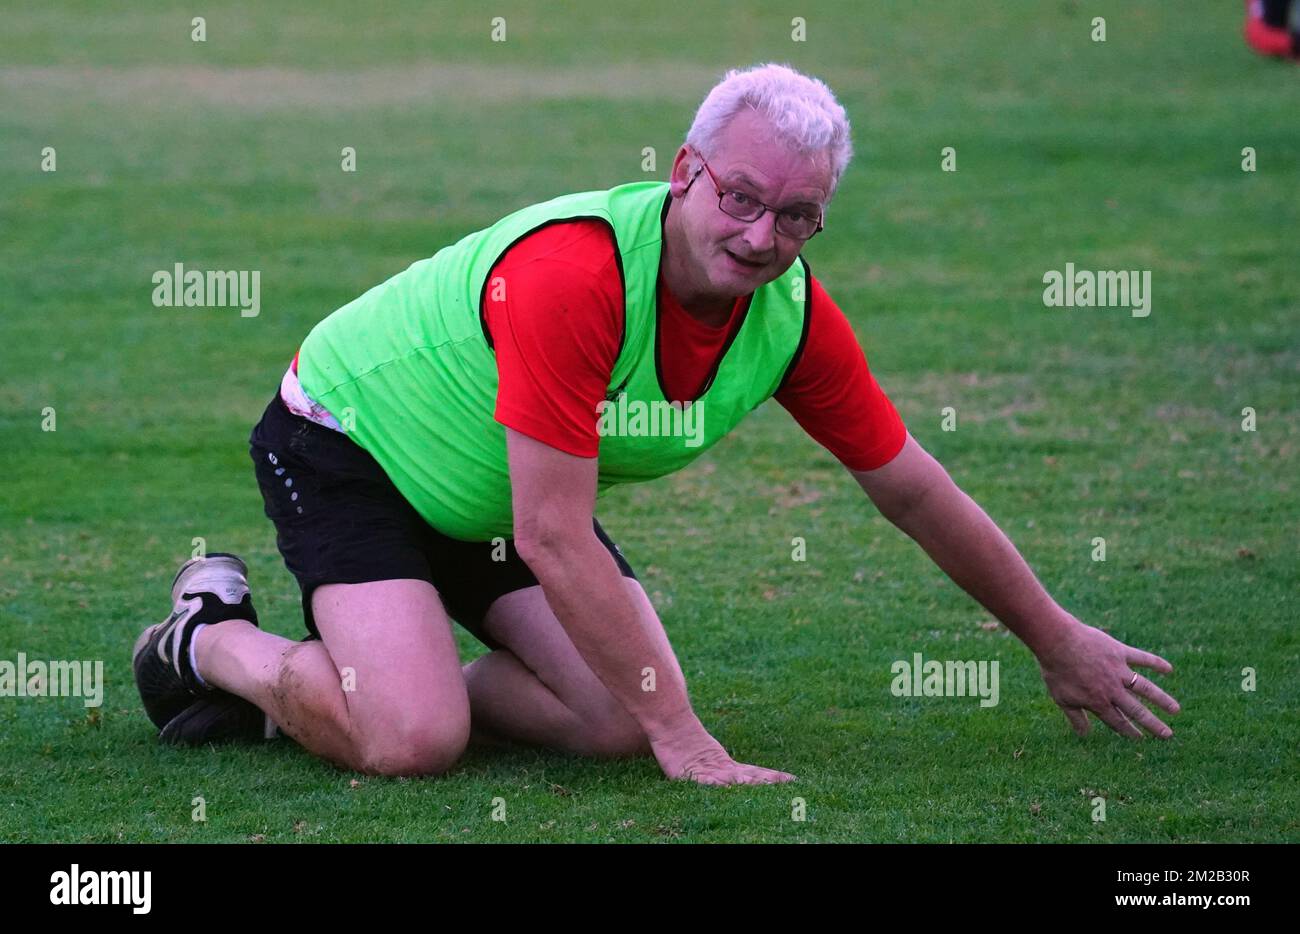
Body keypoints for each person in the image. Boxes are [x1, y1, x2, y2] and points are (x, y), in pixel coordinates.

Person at [133, 62, 1180, 786]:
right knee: (414, 741)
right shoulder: (575, 274)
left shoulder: (788, 315)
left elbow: (908, 484)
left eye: (797, 215)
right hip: (352, 441)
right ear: (685, 170)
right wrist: (685, 739)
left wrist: (1054, 638)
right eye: (740, 196)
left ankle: (376, 677)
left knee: (605, 722)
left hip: (496, 487)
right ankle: (208, 640)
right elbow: (554, 533)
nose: (762, 235)